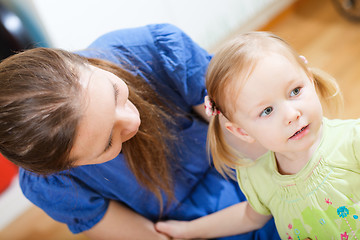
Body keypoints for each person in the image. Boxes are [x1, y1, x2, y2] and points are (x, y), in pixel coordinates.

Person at [0, 24, 280, 239]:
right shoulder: (50, 185)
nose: (132, 121)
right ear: (67, 167)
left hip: (248, 166)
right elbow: (154, 235)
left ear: (77, 61)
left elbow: (248, 138)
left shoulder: (154, 49)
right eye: (109, 141)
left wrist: (278, 191)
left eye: (115, 93)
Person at [154, 31, 359, 240]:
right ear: (242, 132)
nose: (291, 115)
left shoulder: (352, 141)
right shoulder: (259, 178)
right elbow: (249, 218)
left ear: (310, 80)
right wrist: (189, 231)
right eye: (267, 111)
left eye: (295, 91)